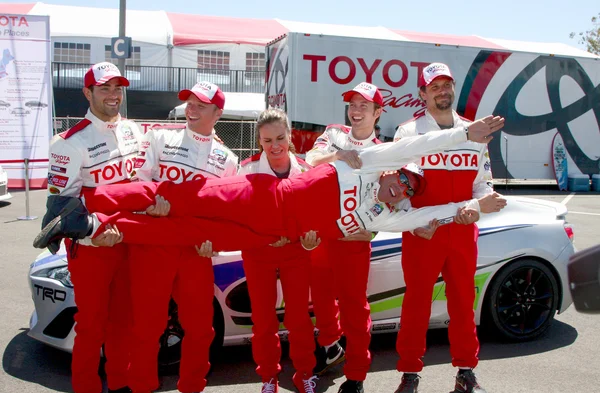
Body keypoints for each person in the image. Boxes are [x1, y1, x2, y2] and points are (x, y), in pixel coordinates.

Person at [35, 112, 504, 256]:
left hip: (266, 236)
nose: (403, 183)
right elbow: (409, 150)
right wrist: (464, 134)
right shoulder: (363, 162)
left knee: (183, 235)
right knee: (171, 196)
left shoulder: (388, 215)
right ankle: (80, 199)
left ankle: (89, 224)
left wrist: (477, 206)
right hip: (256, 194)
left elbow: (428, 215)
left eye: (409, 187)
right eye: (403, 176)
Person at [392, 63, 507, 393]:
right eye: (434, 86)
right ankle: (409, 374)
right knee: (415, 306)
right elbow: (395, 190)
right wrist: (412, 222)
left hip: (461, 234)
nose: (442, 91)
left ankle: (466, 373)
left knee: (462, 305)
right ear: (422, 94)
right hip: (422, 235)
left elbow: (483, 184)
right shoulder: (407, 133)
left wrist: (477, 205)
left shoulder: (475, 133)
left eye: (447, 85)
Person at [127, 81, 238, 393]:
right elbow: (139, 180)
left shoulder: (227, 159)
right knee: (148, 325)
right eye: (189, 102)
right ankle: (141, 390)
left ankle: (192, 389)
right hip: (155, 244)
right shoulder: (160, 136)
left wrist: (213, 241)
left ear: (217, 112)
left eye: (200, 105)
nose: (191, 108)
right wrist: (150, 204)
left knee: (202, 328)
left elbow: (225, 213)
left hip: (194, 252)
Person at [43, 61, 140, 393]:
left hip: (129, 243)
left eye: (117, 88)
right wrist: (95, 229)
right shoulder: (67, 142)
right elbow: (59, 210)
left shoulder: (134, 130)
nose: (113, 95)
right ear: (88, 92)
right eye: (105, 88)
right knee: (91, 327)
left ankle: (120, 388)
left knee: (124, 322)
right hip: (92, 248)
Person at [234, 108, 320, 393]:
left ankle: (305, 374)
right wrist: (265, 238)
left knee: (299, 318)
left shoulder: (307, 171)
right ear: (259, 140)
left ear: (291, 134)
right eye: (267, 140)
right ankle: (268, 377)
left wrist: (308, 239)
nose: (275, 146)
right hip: (259, 253)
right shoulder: (245, 169)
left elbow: (315, 221)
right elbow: (236, 217)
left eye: (280, 138)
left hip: (296, 253)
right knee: (263, 319)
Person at [304, 82, 383, 393]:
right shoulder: (333, 132)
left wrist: (373, 229)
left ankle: (356, 377)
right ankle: (331, 347)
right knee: (320, 301)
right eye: (352, 103)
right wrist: (339, 154)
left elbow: (387, 199)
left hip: (354, 238)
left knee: (354, 308)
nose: (356, 109)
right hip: (321, 235)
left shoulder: (383, 151)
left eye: (364, 104)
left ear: (378, 112)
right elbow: (310, 159)